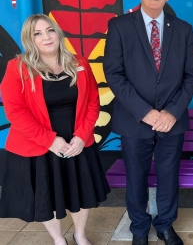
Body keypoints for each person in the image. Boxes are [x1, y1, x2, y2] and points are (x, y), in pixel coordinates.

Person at [103, 0, 193, 245]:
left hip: (172, 120)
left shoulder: (183, 29)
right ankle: (139, 229)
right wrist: (145, 112)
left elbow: (191, 76)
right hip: (134, 120)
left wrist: (171, 112)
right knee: (136, 178)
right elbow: (114, 74)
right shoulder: (120, 26)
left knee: (169, 176)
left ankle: (165, 225)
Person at [0, 14, 110, 245]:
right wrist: (50, 141)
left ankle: (80, 235)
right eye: (37, 34)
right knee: (47, 195)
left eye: (50, 30)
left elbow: (92, 101)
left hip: (77, 141)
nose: (46, 37)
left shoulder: (79, 62)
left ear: (57, 32)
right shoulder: (17, 68)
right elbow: (16, 112)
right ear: (30, 40)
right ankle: (58, 239)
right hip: (39, 144)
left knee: (81, 191)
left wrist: (82, 136)